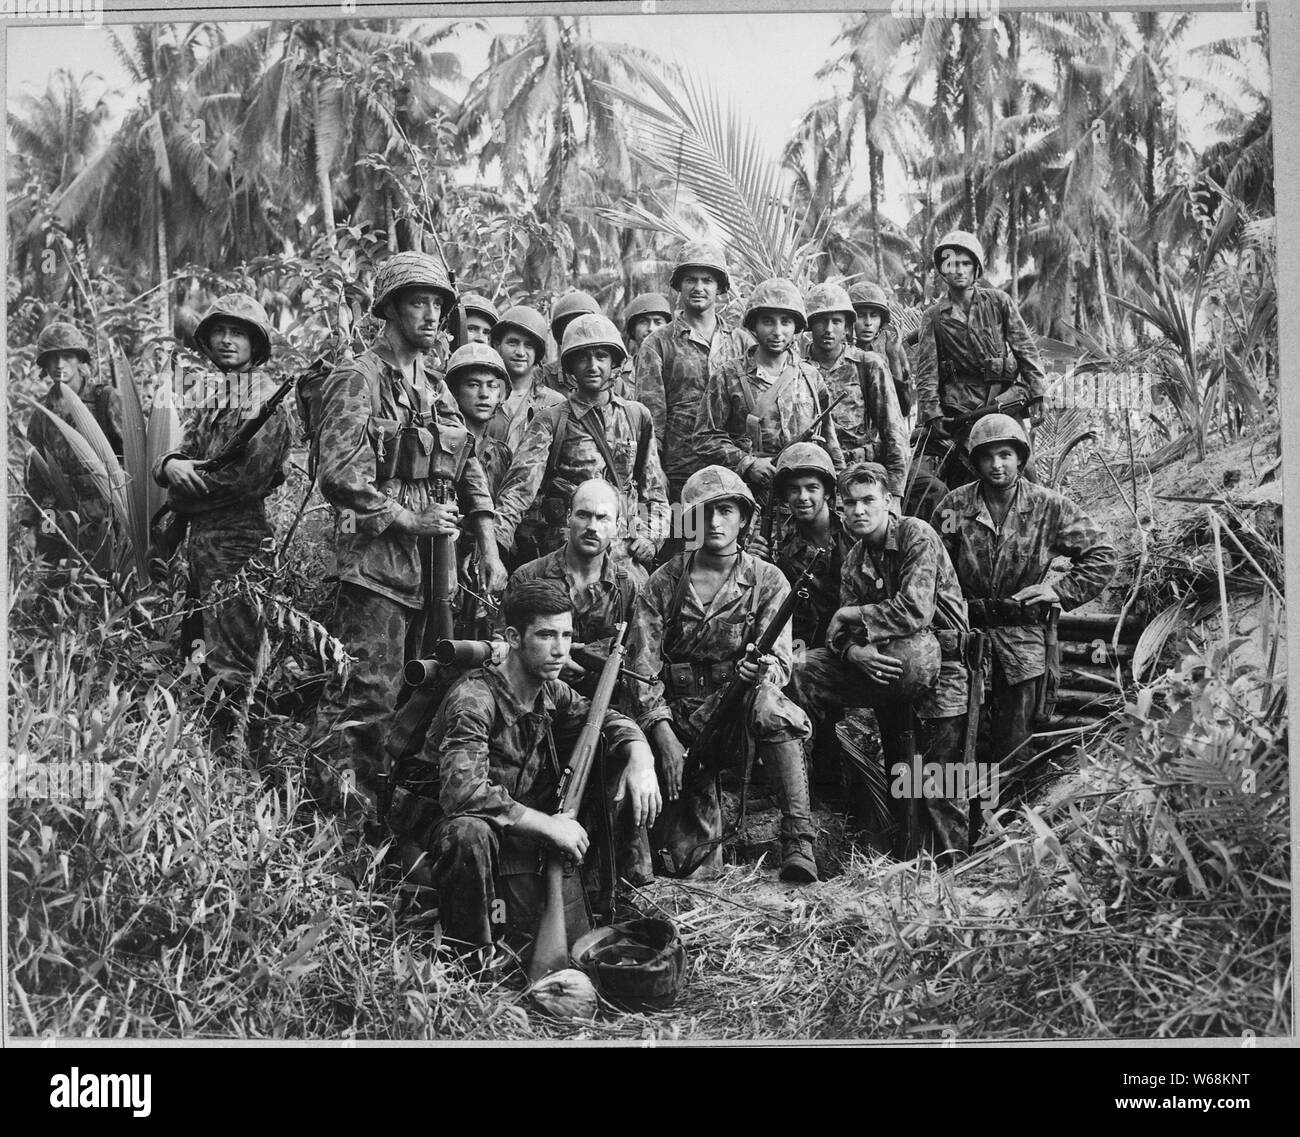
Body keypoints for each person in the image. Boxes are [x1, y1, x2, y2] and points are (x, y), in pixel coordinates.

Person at [310, 251, 509, 816]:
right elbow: (339, 475)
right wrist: (407, 519)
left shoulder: (436, 387)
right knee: (366, 695)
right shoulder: (358, 378)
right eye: (417, 302)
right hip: (376, 569)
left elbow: (468, 467)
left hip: (433, 575)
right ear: (390, 309)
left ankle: (386, 815)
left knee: (420, 696)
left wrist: (489, 548)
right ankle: (339, 823)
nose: (430, 314)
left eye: (437, 304)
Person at [388, 579, 661, 954]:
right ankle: (471, 957)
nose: (560, 649)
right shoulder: (474, 699)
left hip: (514, 811)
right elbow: (462, 793)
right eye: (546, 635)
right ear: (514, 638)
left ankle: (608, 902)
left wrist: (639, 755)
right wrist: (549, 826)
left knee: (614, 762)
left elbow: (602, 719)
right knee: (468, 832)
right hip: (442, 828)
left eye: (566, 635)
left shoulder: (548, 689)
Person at [625, 465, 818, 883]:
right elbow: (642, 670)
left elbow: (782, 662)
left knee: (770, 704)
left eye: (726, 510)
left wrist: (761, 670)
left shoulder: (768, 580)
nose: (714, 522)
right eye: (704, 511)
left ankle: (798, 840)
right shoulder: (664, 582)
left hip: (738, 721)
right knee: (688, 865)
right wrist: (663, 735)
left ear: (744, 517)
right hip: (682, 727)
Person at [932, 415, 1117, 811]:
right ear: (975, 462)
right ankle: (953, 836)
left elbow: (1103, 556)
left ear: (1020, 458)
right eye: (988, 457)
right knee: (957, 735)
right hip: (965, 635)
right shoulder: (953, 506)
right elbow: (932, 567)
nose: (997, 464)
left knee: (1015, 742)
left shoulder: (1049, 507)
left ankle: (1007, 830)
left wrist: (1058, 592)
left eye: (1006, 455)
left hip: (1023, 640)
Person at [799, 462, 973, 859]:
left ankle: (954, 872)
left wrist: (854, 616)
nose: (858, 511)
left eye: (868, 501)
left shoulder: (916, 534)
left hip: (943, 668)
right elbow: (840, 635)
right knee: (900, 775)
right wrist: (853, 650)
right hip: (889, 668)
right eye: (849, 504)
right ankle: (903, 866)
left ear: (889, 502)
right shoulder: (856, 558)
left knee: (938, 785)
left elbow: (914, 610)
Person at [153, 293, 292, 758]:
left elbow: (243, 481)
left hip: (238, 543)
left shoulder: (267, 402)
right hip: (201, 544)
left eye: (238, 332)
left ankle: (237, 764)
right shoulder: (216, 394)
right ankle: (201, 762)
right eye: (220, 332)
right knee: (197, 649)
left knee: (234, 660)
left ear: (256, 342)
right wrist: (169, 464)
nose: (227, 340)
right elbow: (182, 449)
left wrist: (177, 487)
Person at [500, 479, 655, 883]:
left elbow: (640, 662)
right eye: (583, 514)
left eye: (603, 517)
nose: (592, 526)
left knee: (622, 767)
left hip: (598, 711)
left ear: (619, 527)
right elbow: (502, 650)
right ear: (567, 519)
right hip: (536, 709)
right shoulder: (530, 576)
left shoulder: (629, 584)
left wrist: (641, 740)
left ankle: (621, 885)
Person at [492, 314, 670, 570]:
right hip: (565, 553)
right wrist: (494, 546)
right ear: (571, 365)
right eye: (583, 357)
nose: (593, 365)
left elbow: (653, 492)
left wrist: (650, 538)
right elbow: (518, 491)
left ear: (614, 363)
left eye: (601, 356)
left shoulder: (636, 416)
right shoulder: (550, 420)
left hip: (622, 554)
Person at [693, 278, 844, 519]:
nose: (777, 331)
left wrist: (840, 499)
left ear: (796, 327)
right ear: (754, 325)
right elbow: (704, 438)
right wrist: (748, 464)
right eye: (767, 322)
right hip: (751, 502)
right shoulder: (729, 375)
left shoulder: (810, 376)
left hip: (805, 503)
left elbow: (830, 444)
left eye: (785, 322)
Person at [914, 230, 1046, 494]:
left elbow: (1024, 349)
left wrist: (1038, 393)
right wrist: (933, 414)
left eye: (965, 263)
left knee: (1025, 470)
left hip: (1003, 402)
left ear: (976, 268)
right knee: (962, 479)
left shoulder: (998, 302)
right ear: (942, 271)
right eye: (951, 264)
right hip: (961, 410)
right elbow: (927, 373)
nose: (958, 270)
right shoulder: (934, 317)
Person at [633, 241, 752, 503]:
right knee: (684, 539)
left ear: (719, 287)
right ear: (679, 285)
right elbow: (650, 417)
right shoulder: (658, 343)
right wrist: (655, 471)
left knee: (731, 540)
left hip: (734, 470)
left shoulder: (742, 342)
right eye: (691, 280)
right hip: (680, 471)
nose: (699, 288)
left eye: (707, 280)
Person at [21, 320, 123, 572]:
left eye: (67, 356)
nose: (59, 365)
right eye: (52, 358)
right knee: (53, 587)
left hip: (102, 515)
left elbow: (132, 457)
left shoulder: (105, 399)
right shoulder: (42, 413)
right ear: (43, 364)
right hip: (54, 517)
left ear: (79, 359)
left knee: (102, 589)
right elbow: (34, 474)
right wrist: (29, 526)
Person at [802, 282, 907, 504]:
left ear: (848, 327)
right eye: (821, 321)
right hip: (813, 475)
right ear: (810, 325)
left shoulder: (868, 364)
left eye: (837, 321)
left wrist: (896, 494)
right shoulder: (798, 369)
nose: (829, 329)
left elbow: (894, 431)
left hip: (862, 474)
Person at [489, 304, 566, 454]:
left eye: (529, 345)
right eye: (513, 342)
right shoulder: (484, 394)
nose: (520, 352)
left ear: (537, 353)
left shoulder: (554, 403)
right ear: (498, 345)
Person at [849, 281, 914, 420]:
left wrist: (893, 357)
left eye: (873, 316)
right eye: (860, 315)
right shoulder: (838, 349)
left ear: (881, 320)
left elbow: (903, 408)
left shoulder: (890, 346)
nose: (868, 323)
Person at [539, 290, 602, 393]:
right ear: (560, 337)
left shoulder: (611, 380)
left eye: (584, 327)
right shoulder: (543, 377)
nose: (577, 336)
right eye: (569, 329)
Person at [616, 291, 672, 399]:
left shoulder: (678, 369)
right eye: (643, 322)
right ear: (632, 330)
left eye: (658, 322)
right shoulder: (619, 373)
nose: (651, 328)